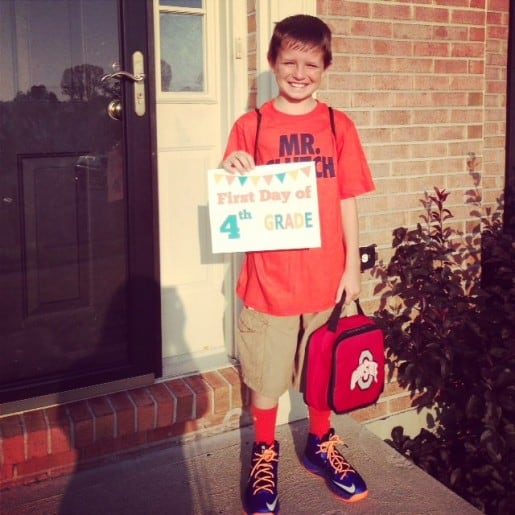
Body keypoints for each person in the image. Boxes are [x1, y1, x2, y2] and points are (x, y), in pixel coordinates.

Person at [221, 14, 375, 514]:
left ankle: (320, 441)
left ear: (325, 67)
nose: (300, 72)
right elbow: (232, 190)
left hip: (326, 282)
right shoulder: (252, 125)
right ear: (272, 63)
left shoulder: (337, 124)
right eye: (289, 61)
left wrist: (352, 267)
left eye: (311, 63)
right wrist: (233, 169)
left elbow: (348, 198)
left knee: (321, 375)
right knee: (266, 381)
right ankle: (265, 452)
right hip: (269, 284)